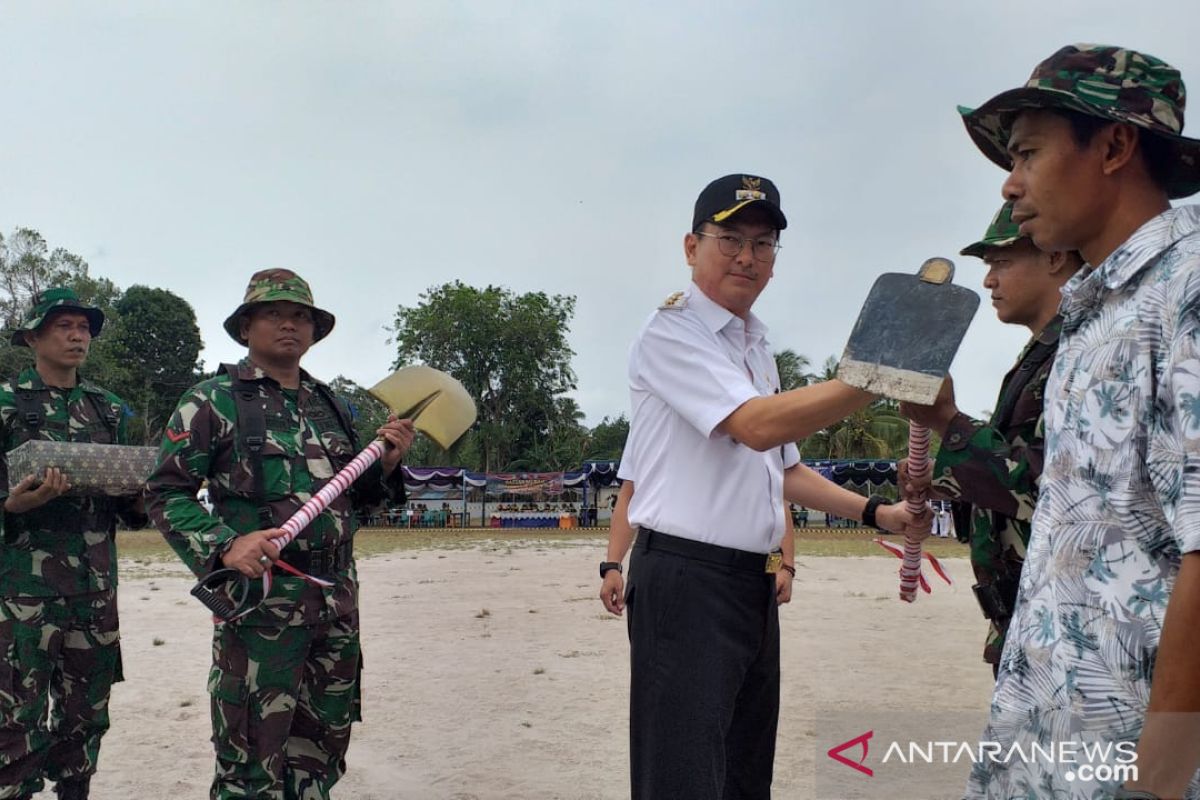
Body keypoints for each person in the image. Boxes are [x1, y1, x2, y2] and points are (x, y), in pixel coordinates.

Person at [597, 173, 929, 799]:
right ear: (691, 246)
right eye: (730, 238)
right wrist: (879, 376)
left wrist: (878, 513)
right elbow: (753, 427)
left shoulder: (757, 346)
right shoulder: (672, 332)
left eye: (764, 242)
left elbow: (784, 469)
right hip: (686, 581)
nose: (747, 257)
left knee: (744, 776)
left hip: (751, 583)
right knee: (683, 779)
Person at [955, 44, 1200, 799]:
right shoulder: (1097, 310)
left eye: (1027, 152)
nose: (1011, 182)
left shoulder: (1184, 294)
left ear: (1116, 146)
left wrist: (1152, 786)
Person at [143, 269, 415, 799]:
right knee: (250, 761)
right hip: (262, 607)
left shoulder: (331, 405)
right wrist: (225, 542)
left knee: (321, 753)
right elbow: (166, 493)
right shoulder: (211, 401)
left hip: (335, 602)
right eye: (274, 314)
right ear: (246, 327)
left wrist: (385, 465)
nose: (289, 325)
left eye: (301, 316)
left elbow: (353, 499)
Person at [898, 201, 1080, 676]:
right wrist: (941, 482)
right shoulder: (1042, 353)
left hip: (1061, 630)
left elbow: (1052, 490)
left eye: (1001, 262)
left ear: (1054, 255)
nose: (988, 280)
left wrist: (949, 423)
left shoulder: (1078, 353)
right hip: (1026, 621)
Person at [0, 288, 147, 800]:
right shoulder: (5, 405)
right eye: (63, 325)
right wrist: (11, 506)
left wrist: (146, 496)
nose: (77, 334)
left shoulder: (108, 411)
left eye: (84, 327)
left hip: (94, 595)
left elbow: (131, 508)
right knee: (13, 717)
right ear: (33, 336)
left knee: (86, 716)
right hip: (20, 597)